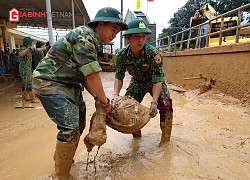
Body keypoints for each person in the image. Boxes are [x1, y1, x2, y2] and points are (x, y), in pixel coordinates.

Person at [33, 7, 127, 179]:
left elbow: (85, 76)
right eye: (113, 29)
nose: (115, 34)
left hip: (70, 84)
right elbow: (92, 76)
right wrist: (105, 102)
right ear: (100, 24)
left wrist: (99, 99)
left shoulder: (95, 43)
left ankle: (65, 160)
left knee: (80, 124)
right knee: (70, 127)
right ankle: (61, 175)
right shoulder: (85, 36)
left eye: (118, 31)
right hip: (50, 81)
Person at [112, 18, 173, 146]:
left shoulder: (153, 54)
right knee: (128, 108)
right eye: (136, 36)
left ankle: (165, 141)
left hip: (154, 82)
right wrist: (115, 96)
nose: (140, 40)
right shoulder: (121, 55)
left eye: (143, 36)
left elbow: (157, 79)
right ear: (128, 37)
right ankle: (136, 136)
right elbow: (119, 76)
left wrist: (155, 102)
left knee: (166, 105)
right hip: (137, 82)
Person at [19, 37, 46, 103]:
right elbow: (21, 54)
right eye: (31, 42)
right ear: (28, 43)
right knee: (29, 82)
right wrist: (27, 48)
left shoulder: (31, 50)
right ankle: (32, 98)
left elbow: (37, 50)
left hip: (28, 68)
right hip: (24, 68)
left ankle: (26, 96)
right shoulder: (23, 48)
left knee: (25, 83)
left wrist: (46, 48)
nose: (32, 43)